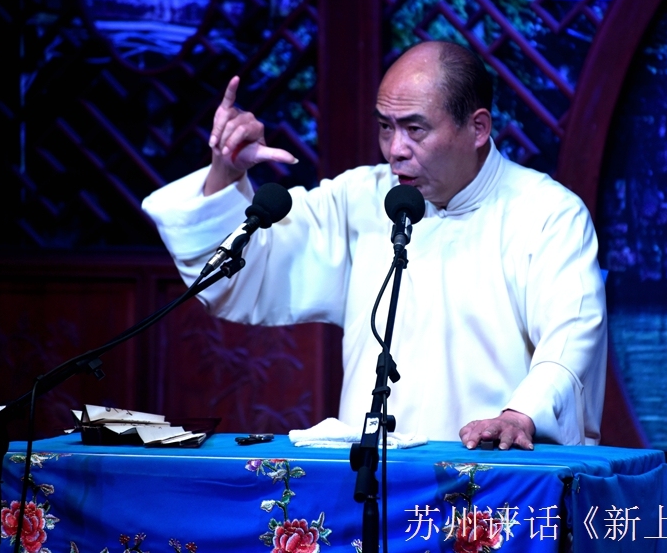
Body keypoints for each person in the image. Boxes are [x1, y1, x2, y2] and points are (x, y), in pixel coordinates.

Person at [142, 41, 607, 449]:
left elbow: (571, 336)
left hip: (493, 479)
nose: (395, 149)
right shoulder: (360, 199)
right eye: (386, 126)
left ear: (478, 128)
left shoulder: (546, 213)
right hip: (372, 481)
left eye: (415, 129)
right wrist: (226, 173)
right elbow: (239, 275)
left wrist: (521, 415)